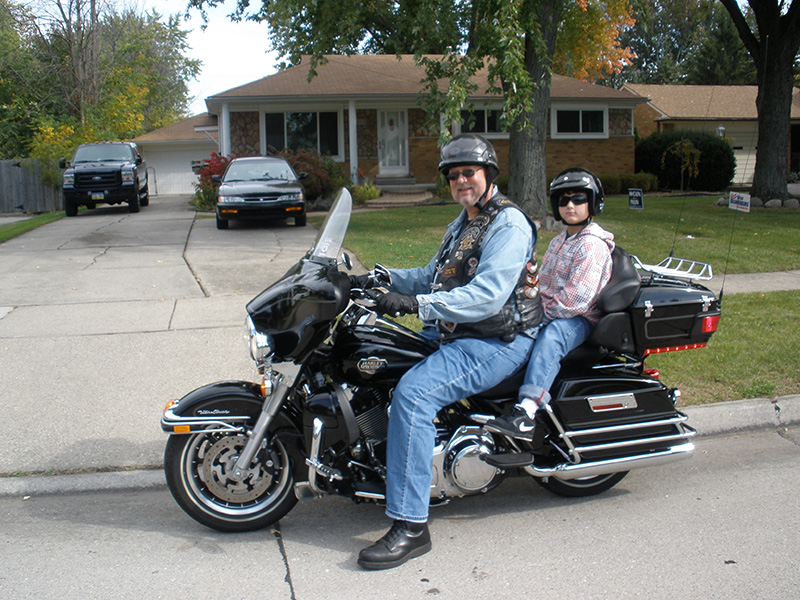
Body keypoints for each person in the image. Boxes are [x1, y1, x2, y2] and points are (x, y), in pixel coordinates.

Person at [352, 134, 543, 570]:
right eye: (453, 175)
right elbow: (432, 275)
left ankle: (411, 526)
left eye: (468, 172)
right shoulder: (464, 222)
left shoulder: (508, 224)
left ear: (488, 175)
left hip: (498, 340)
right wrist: (379, 278)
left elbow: (489, 295)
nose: (461, 180)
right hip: (460, 333)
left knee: (415, 395)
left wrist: (416, 305)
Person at [485, 168, 614, 441]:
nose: (570, 205)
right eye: (563, 200)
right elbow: (541, 282)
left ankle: (527, 411)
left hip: (579, 319)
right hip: (550, 311)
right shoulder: (559, 241)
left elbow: (576, 300)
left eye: (579, 199)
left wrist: (537, 316)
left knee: (552, 337)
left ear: (593, 203)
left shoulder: (592, 245)